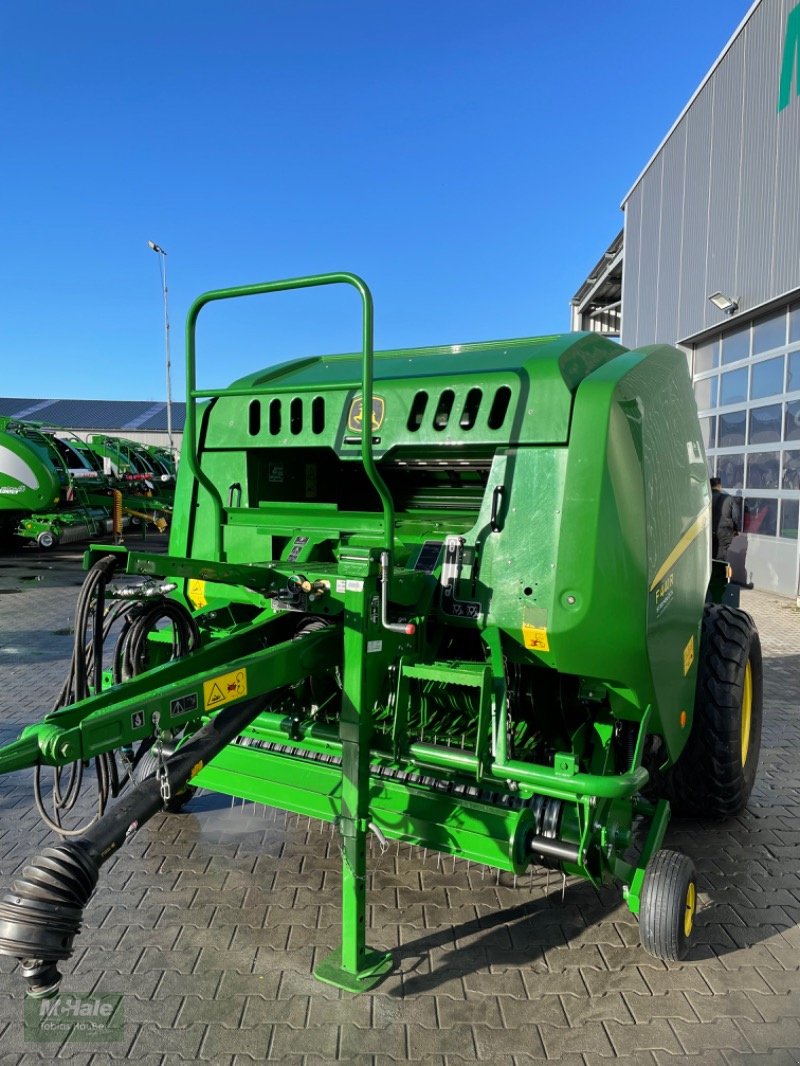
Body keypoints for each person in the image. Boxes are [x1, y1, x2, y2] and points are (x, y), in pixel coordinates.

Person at [710, 476, 741, 560]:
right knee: (722, 557)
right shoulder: (729, 498)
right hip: (725, 532)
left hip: (708, 532)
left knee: (710, 556)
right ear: (719, 486)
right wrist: (735, 529)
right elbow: (736, 516)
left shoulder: (706, 498)